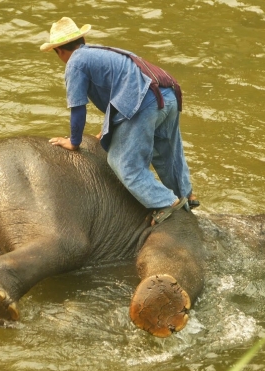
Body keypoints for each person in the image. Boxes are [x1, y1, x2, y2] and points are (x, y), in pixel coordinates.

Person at [41, 17, 199, 224]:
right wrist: (107, 127)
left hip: (144, 100)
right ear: (83, 39)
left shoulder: (75, 63)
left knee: (124, 163)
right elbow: (121, 85)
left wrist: (74, 141)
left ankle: (164, 202)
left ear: (59, 51)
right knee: (166, 151)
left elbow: (78, 108)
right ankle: (186, 194)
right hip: (167, 93)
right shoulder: (102, 52)